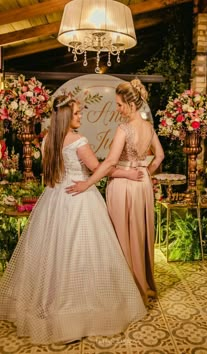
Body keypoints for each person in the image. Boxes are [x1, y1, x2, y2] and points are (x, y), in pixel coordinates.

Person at [0, 95, 147, 345]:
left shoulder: (47, 139)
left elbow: (49, 175)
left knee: (53, 253)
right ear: (67, 116)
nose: (80, 117)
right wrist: (125, 173)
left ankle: (46, 307)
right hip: (79, 196)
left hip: (54, 197)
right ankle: (77, 316)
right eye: (77, 113)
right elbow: (98, 167)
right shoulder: (79, 140)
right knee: (82, 252)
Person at [66, 79, 165, 304]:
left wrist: (88, 183)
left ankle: (128, 289)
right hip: (142, 185)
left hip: (123, 186)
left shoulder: (124, 128)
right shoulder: (149, 128)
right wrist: (146, 173)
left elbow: (111, 161)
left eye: (119, 104)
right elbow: (159, 156)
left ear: (130, 104)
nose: (117, 108)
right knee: (140, 234)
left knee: (121, 238)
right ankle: (145, 286)